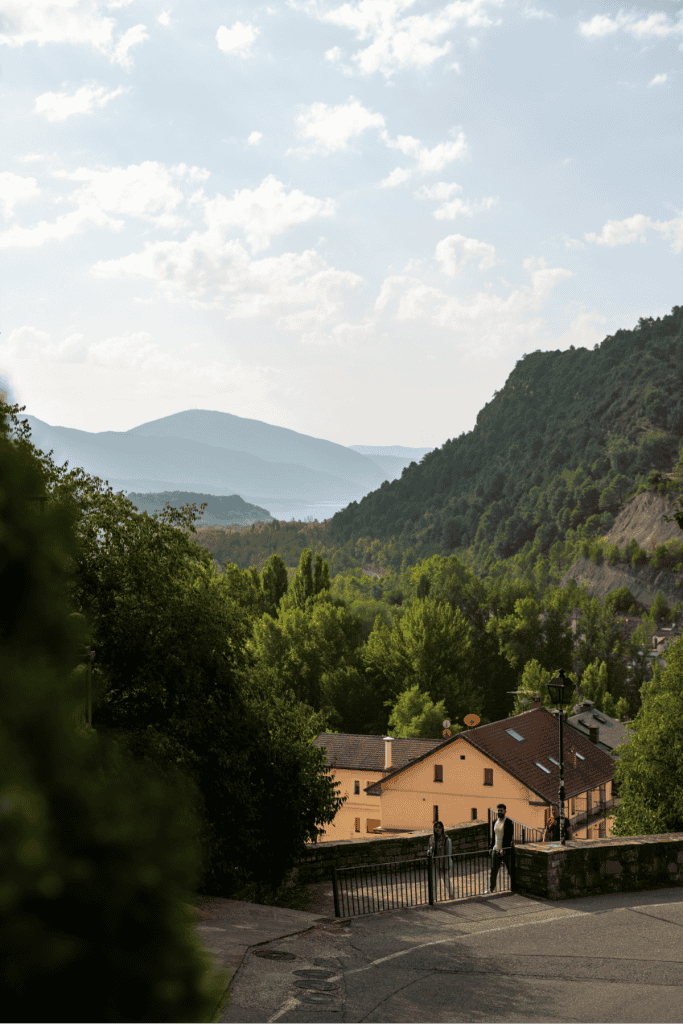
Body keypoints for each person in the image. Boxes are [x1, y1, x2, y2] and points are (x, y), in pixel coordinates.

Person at [486, 803, 514, 893]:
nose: (499, 812)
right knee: (493, 871)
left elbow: (509, 837)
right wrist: (491, 847)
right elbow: (494, 836)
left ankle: (514, 887)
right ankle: (491, 888)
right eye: (498, 811)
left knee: (510, 870)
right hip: (496, 849)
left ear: (505, 811)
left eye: (501, 811)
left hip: (505, 851)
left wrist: (504, 849)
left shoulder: (509, 822)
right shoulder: (495, 822)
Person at [427, 820, 455, 899]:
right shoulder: (432, 839)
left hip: (444, 863)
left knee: (446, 880)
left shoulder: (446, 839)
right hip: (435, 863)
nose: (437, 829)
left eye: (439, 827)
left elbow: (448, 854)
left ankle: (451, 895)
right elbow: (429, 850)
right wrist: (430, 850)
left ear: (442, 828)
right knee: (434, 882)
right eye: (436, 827)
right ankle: (433, 898)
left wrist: (446, 867)